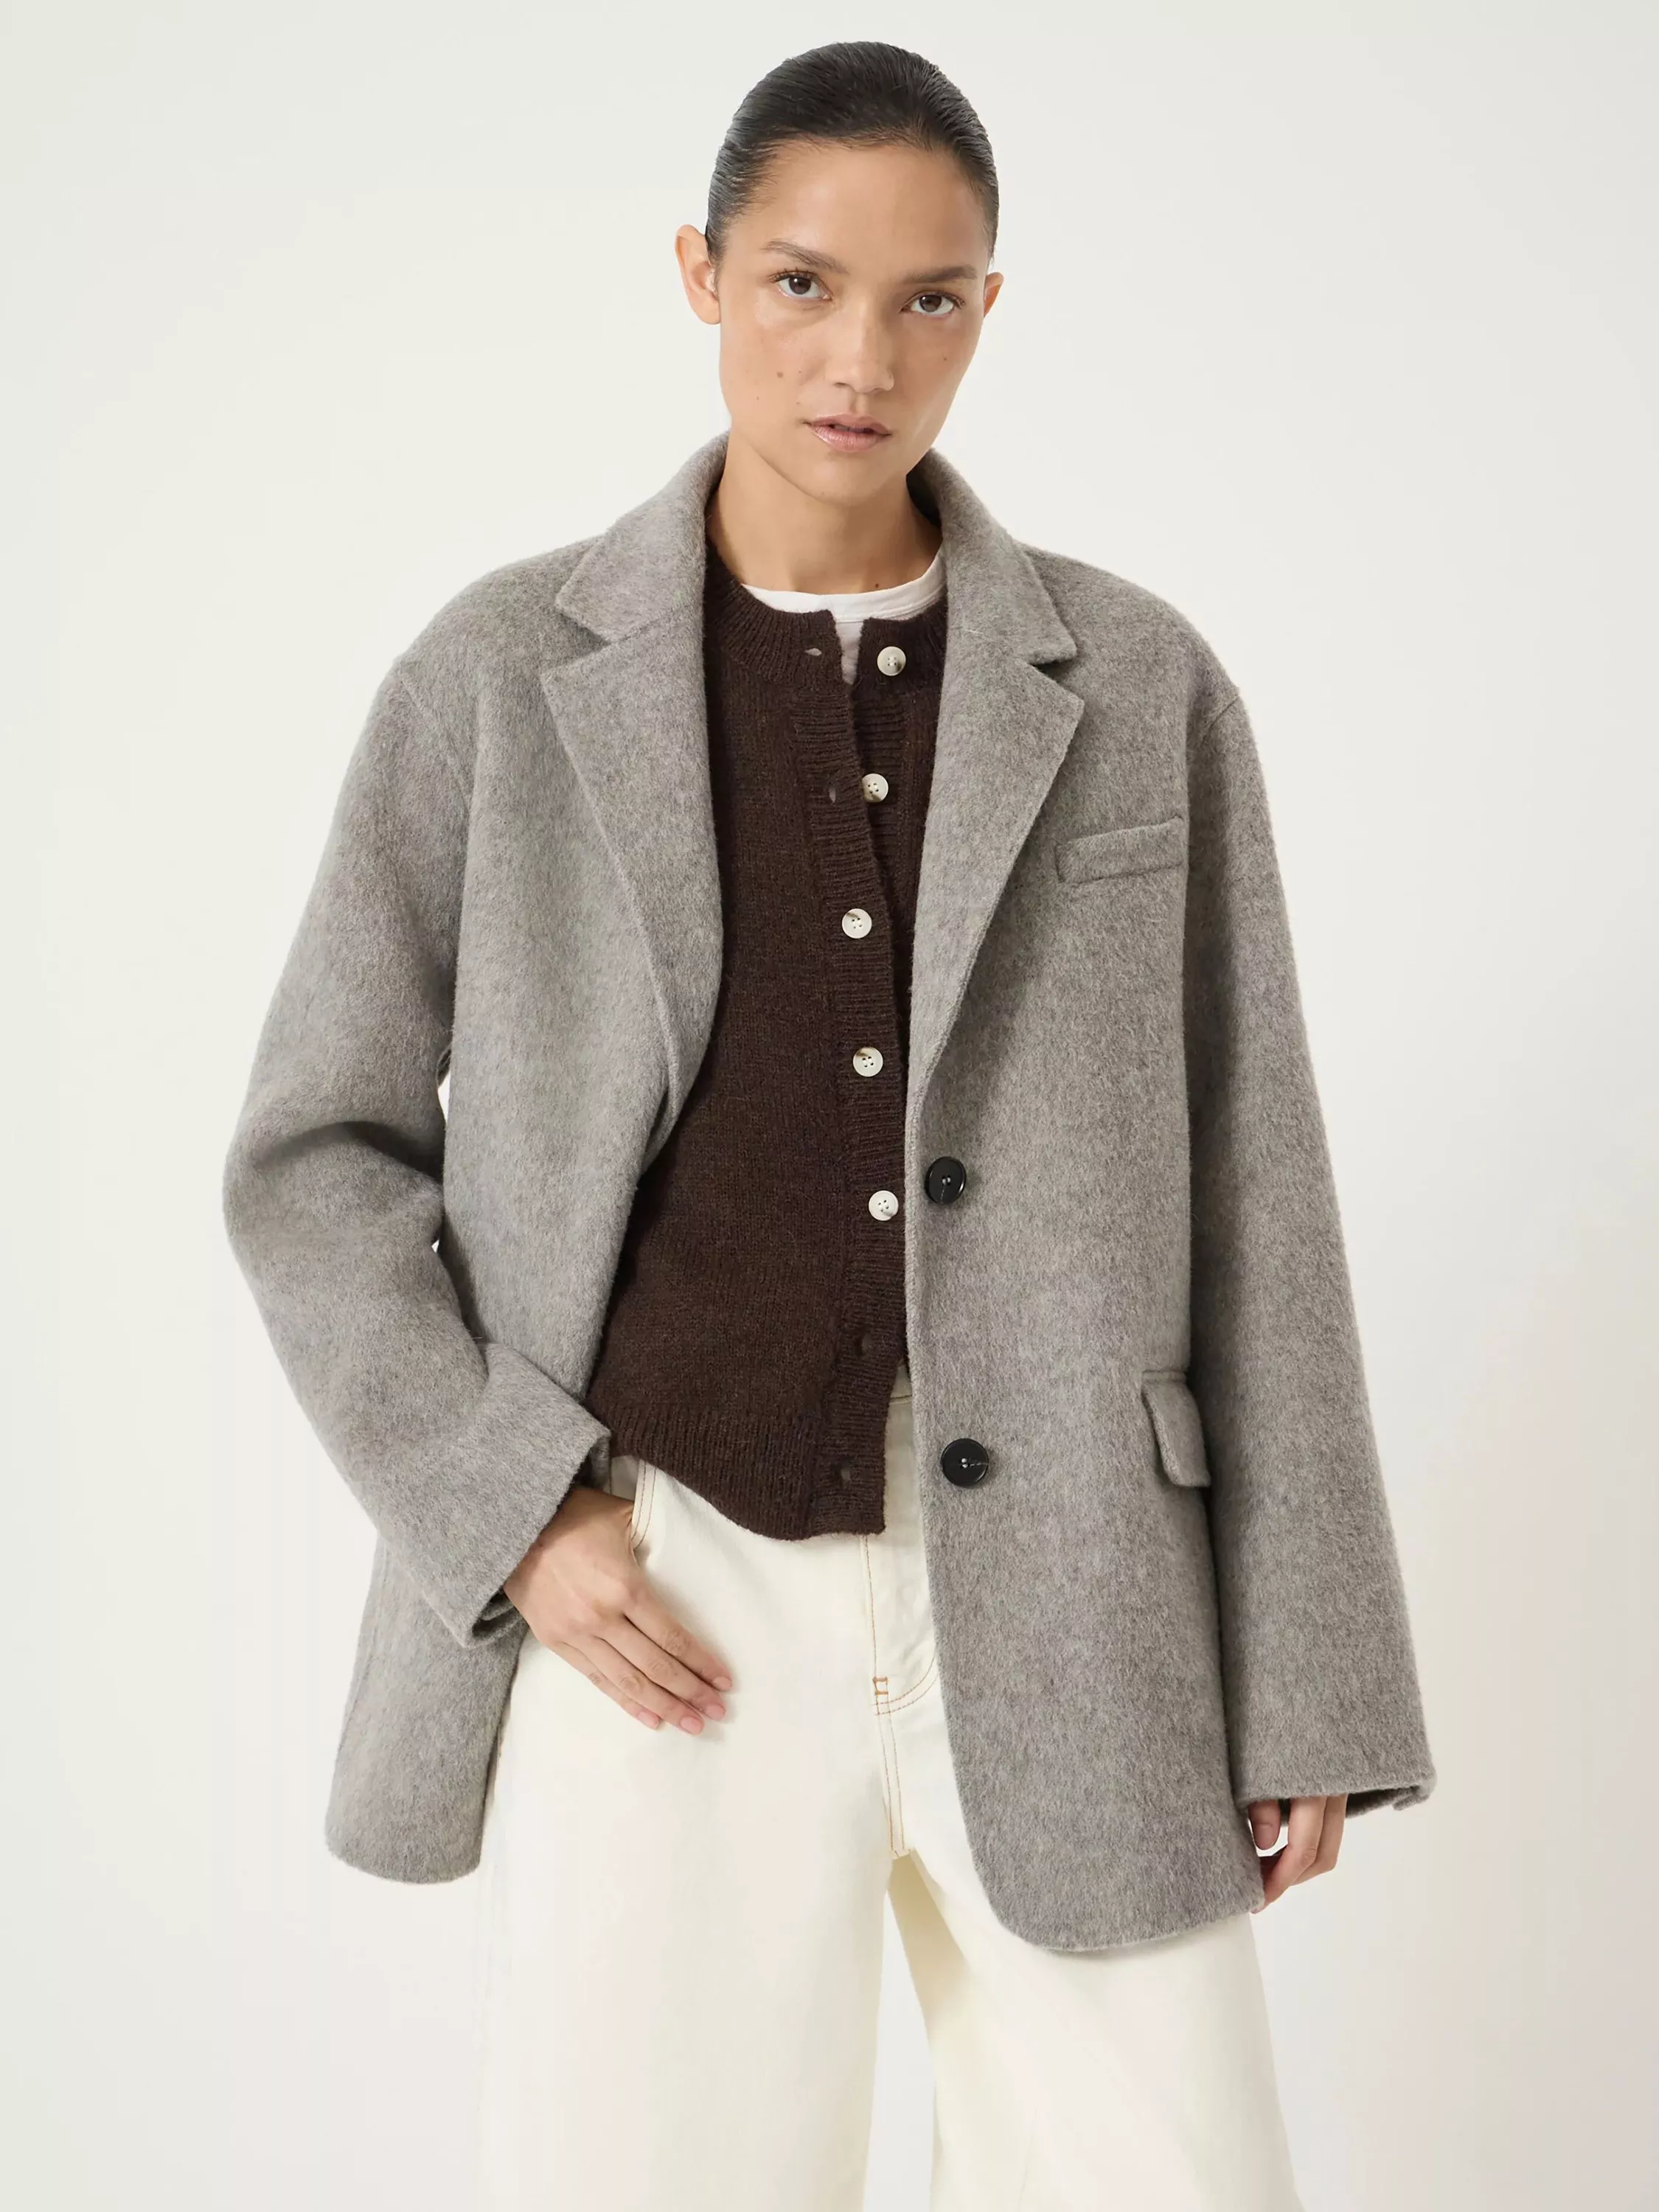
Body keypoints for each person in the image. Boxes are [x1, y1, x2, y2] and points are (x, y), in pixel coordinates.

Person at [222, 39, 1436, 2212]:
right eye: (801, 283)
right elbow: (315, 1162)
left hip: (1082, 1582)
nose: (861, 358)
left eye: (928, 298)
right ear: (701, 273)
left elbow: (1259, 1177)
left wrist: (1312, 1673)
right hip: (664, 1585)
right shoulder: (496, 679)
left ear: (990, 307)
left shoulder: (1137, 684)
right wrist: (513, 1512)